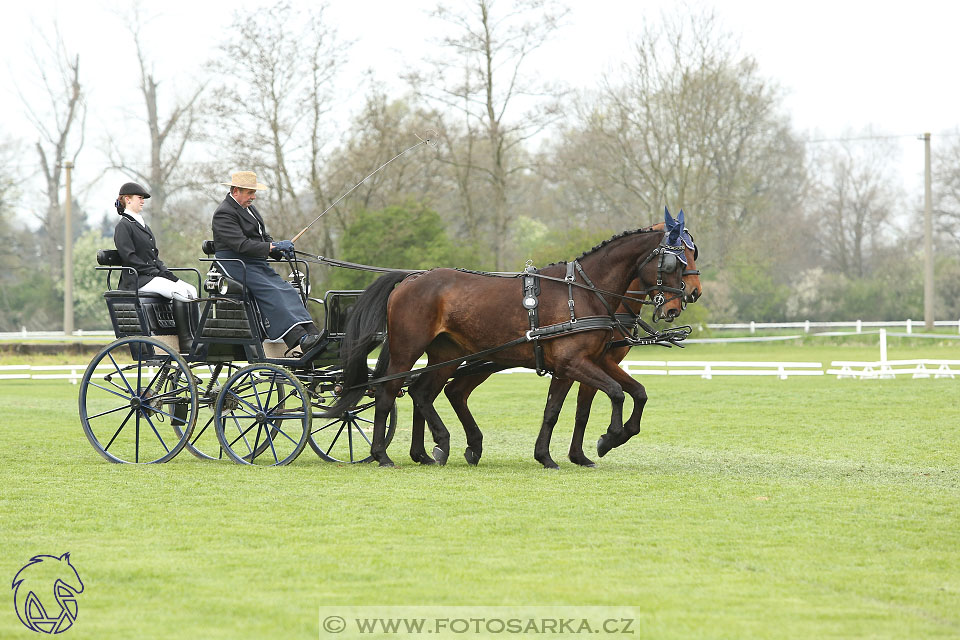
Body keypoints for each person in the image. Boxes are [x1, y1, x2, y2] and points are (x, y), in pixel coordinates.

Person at [211, 171, 321, 353]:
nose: (253, 197)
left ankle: (312, 334)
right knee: (272, 291)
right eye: (249, 192)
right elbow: (241, 245)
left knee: (287, 289)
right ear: (236, 190)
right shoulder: (224, 213)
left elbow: (262, 236)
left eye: (254, 192)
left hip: (254, 262)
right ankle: (299, 338)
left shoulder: (250, 209)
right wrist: (273, 247)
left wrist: (279, 251)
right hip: (235, 264)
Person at [113, 181, 198, 352]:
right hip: (138, 279)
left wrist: (166, 273)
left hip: (150, 276)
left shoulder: (143, 225)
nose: (143, 201)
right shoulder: (123, 226)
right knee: (180, 293)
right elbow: (130, 258)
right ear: (127, 199)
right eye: (140, 198)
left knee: (191, 290)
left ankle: (196, 335)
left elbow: (154, 256)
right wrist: (154, 273)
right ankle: (186, 341)